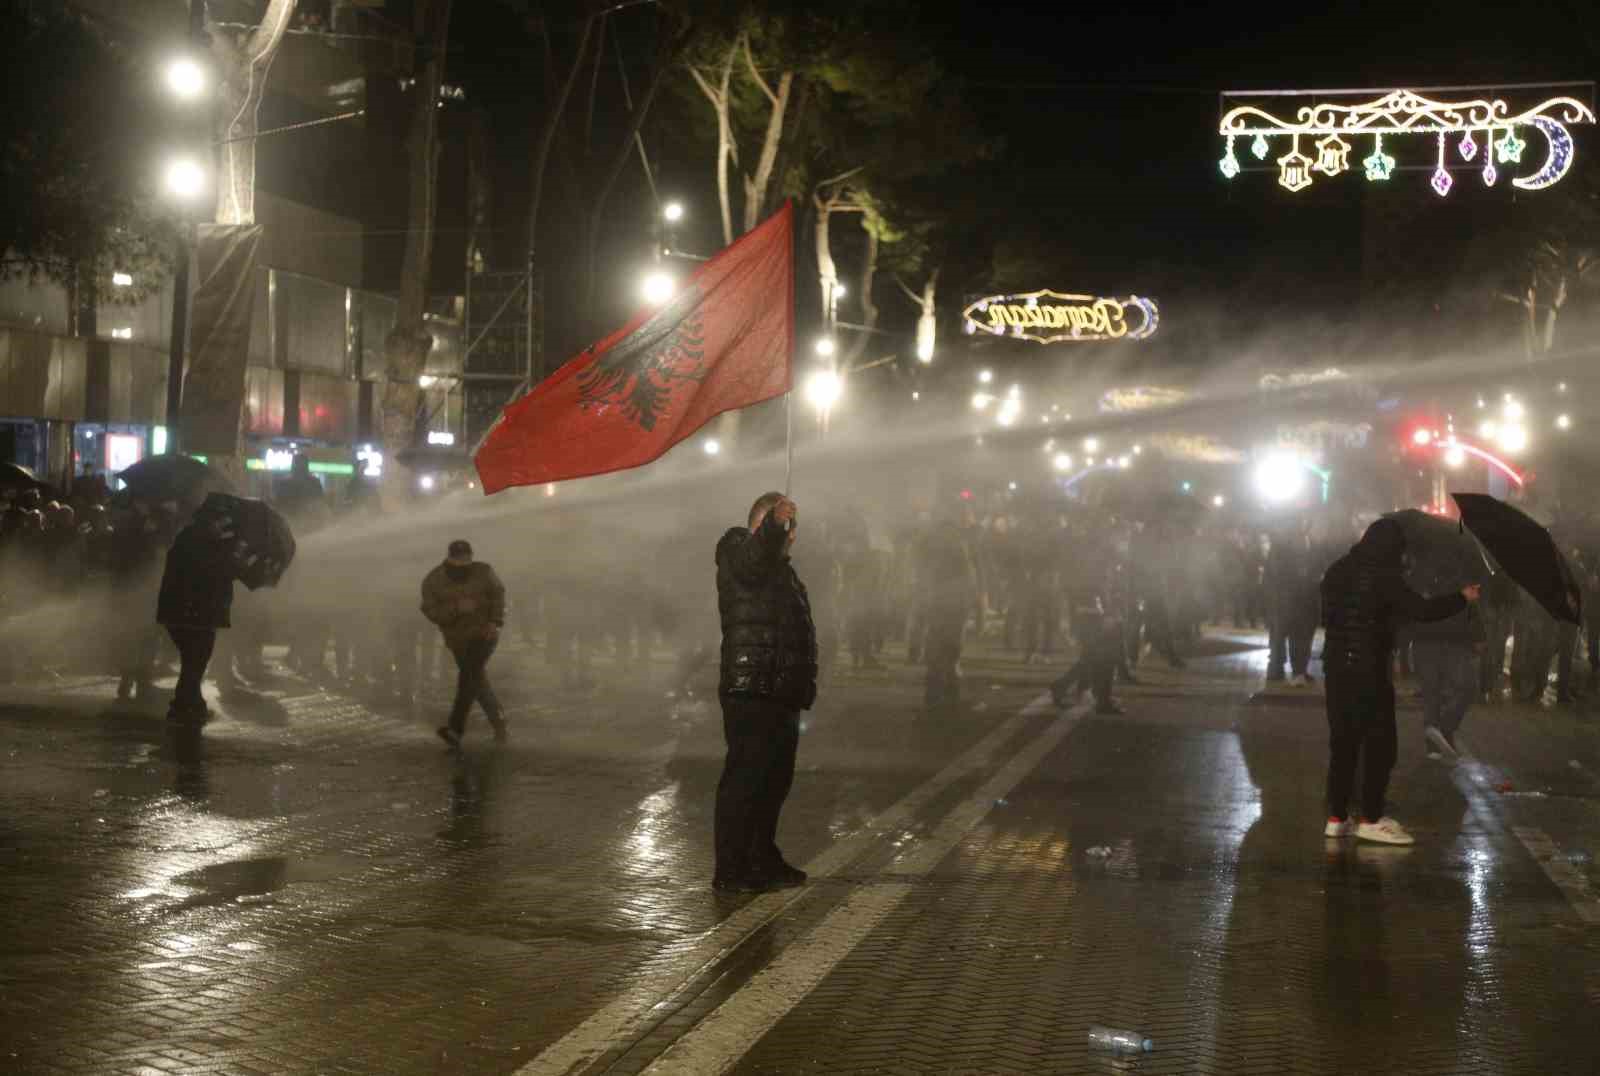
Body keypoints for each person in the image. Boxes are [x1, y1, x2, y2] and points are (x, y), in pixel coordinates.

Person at [1320, 518, 1479, 845]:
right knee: (1380, 745)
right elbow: (1420, 609)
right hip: (1369, 669)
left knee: (1343, 743)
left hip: (1336, 668)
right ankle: (1372, 818)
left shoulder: (1337, 570)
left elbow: (1328, 614)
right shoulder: (1384, 576)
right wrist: (1462, 598)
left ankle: (1337, 816)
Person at [713, 492, 818, 892]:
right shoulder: (736, 550)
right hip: (750, 688)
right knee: (745, 780)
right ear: (759, 524)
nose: (790, 536)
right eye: (781, 527)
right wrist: (773, 526)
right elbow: (753, 561)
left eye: (792, 529)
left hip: (779, 691)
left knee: (774, 781)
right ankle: (731, 868)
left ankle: (761, 857)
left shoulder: (781, 569)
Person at [156, 497, 251, 723]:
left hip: (181, 611)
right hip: (196, 613)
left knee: (193, 661)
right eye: (219, 520)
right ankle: (182, 706)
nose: (221, 524)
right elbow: (219, 572)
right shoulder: (206, 543)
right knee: (195, 661)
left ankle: (192, 703)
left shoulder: (190, 538)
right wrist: (237, 556)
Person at [420, 539, 508, 748]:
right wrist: (456, 609)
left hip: (484, 635)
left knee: (468, 676)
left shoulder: (484, 571)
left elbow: (498, 594)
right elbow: (431, 612)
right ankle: (500, 724)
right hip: (458, 639)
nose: (464, 564)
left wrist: (494, 622)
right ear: (450, 558)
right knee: (475, 681)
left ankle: (456, 729)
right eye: (459, 560)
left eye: (467, 559)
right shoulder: (433, 581)